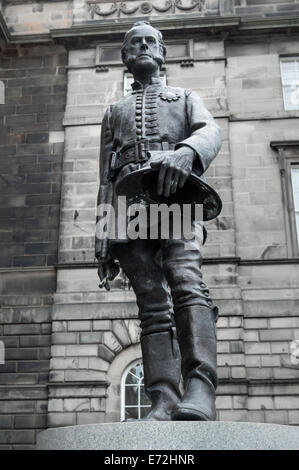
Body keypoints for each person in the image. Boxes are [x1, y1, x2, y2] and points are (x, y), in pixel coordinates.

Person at [95, 21, 222, 421]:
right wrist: (103, 238)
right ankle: (163, 398)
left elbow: (210, 130)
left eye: (152, 41)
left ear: (163, 53)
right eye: (136, 43)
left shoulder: (184, 97)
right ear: (126, 58)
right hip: (129, 208)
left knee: (186, 282)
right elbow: (104, 177)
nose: (144, 47)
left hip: (177, 198)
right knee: (150, 302)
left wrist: (187, 152)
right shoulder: (114, 112)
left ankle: (200, 387)